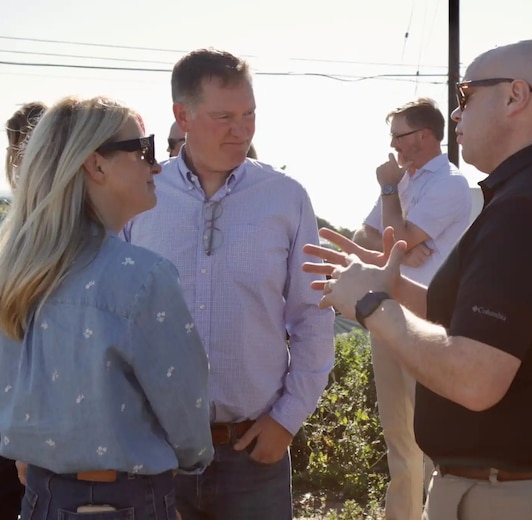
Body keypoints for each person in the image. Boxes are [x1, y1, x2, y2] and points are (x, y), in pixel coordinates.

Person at [303, 39, 532, 519]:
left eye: (466, 94)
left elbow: (476, 378)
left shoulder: (530, 207)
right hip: (518, 491)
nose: (455, 114)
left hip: (512, 499)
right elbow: (483, 324)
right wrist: (393, 287)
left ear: (516, 96)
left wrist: (372, 305)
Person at [122, 48, 334, 520]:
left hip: (253, 453)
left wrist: (287, 420)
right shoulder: (140, 195)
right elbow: (106, 313)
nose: (241, 131)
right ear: (183, 115)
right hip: (153, 454)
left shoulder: (286, 198)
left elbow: (312, 317)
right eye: (224, 117)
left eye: (249, 115)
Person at [0, 95, 212, 520]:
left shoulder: (17, 272)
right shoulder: (143, 277)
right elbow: (187, 410)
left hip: (40, 501)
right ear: (96, 164)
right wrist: (190, 462)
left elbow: (9, 398)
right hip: (129, 501)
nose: (157, 165)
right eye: (143, 149)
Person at [353, 98, 471, 520]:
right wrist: (398, 246)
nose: (392, 145)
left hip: (427, 322)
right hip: (389, 315)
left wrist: (388, 195)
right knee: (399, 440)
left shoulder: (450, 184)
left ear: (423, 136)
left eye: (398, 135)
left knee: (433, 437)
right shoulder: (404, 180)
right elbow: (367, 234)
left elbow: (390, 236)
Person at [0, 100, 46, 520]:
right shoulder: (23, 216)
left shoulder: (52, 217)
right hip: (17, 383)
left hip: (37, 386)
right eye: (16, 148)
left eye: (25, 148)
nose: (18, 161)